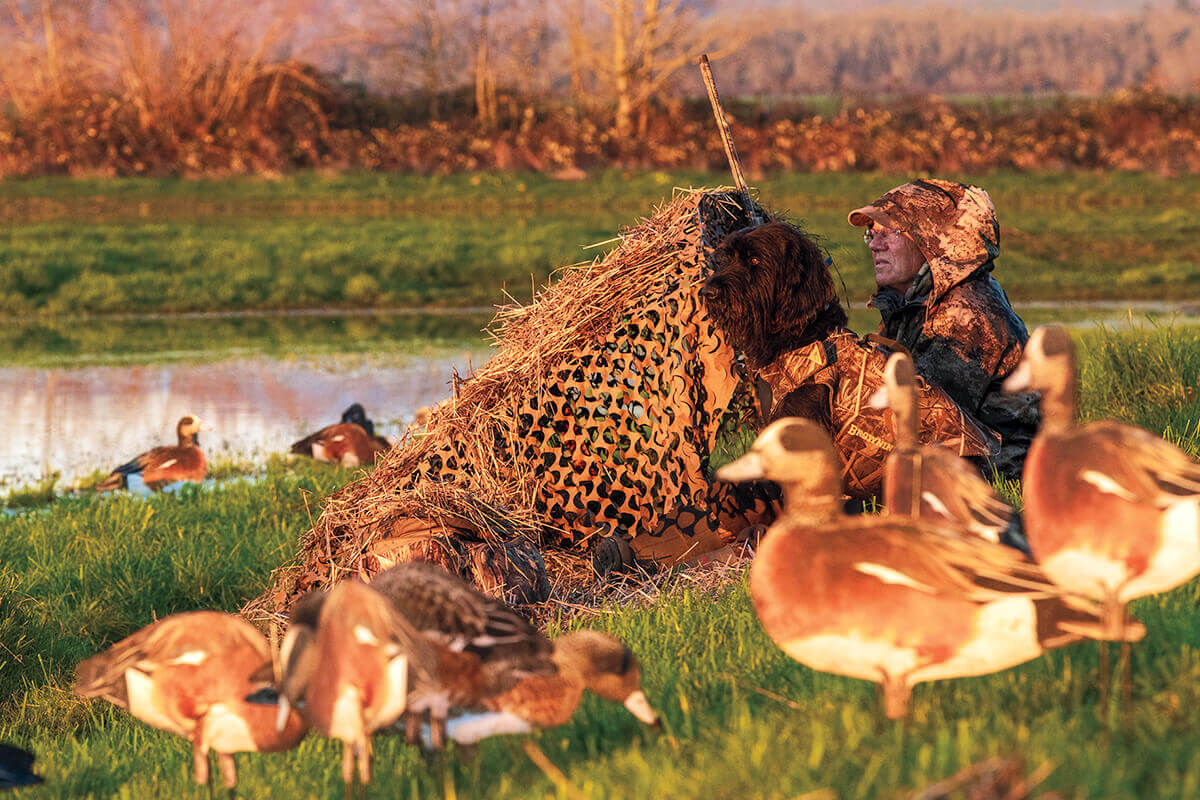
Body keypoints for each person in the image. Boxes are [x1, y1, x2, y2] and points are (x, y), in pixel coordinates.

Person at [848, 178, 1039, 479]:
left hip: (996, 475)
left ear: (932, 240)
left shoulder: (967, 313)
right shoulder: (911, 304)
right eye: (871, 234)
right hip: (954, 468)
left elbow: (920, 422)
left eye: (890, 232)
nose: (874, 244)